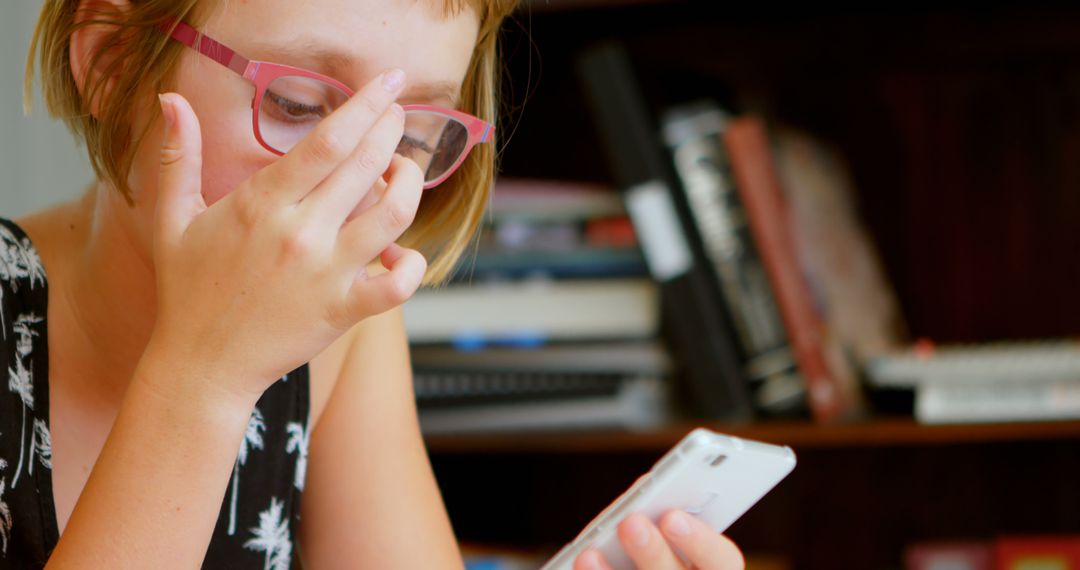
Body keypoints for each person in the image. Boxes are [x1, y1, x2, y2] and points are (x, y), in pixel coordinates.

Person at [0, 0, 746, 568]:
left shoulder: (340, 336)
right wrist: (203, 375)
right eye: (296, 104)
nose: (364, 187)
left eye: (415, 133)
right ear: (107, 62)